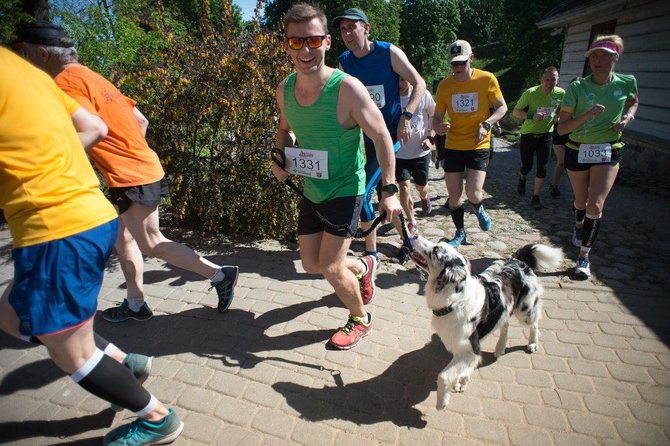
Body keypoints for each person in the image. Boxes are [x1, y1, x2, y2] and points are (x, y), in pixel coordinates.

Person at [0, 46, 182, 445]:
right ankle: (124, 363)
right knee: (12, 317)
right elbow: (94, 127)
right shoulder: (26, 72)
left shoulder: (43, 74)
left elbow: (102, 128)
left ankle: (157, 418)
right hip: (86, 212)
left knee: (71, 353)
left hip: (56, 228)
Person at [14, 21, 239, 321]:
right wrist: (128, 153)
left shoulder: (64, 83)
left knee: (151, 241)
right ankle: (136, 304)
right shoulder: (95, 78)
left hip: (132, 175)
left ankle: (220, 276)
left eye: (23, 55)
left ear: (41, 53)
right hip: (136, 170)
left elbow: (96, 129)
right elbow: (141, 120)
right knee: (124, 239)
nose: (24, 64)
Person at [272, 3, 402, 350]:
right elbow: (285, 131)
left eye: (313, 40)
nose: (306, 50)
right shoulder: (284, 90)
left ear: (328, 42)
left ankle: (360, 318)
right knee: (311, 263)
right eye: (296, 42)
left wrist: (389, 190)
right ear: (286, 45)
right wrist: (279, 156)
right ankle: (363, 266)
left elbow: (382, 137)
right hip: (313, 188)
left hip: (347, 186)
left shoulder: (348, 88)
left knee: (330, 267)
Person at [333, 7, 426, 263]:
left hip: (389, 136)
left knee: (364, 190)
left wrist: (407, 117)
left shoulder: (388, 52)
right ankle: (407, 243)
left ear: (366, 28)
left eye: (352, 27)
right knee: (384, 192)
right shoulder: (345, 62)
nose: (347, 33)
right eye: (343, 29)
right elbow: (343, 101)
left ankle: (371, 252)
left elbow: (420, 83)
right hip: (364, 138)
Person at [557, 35, 638, 279]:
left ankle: (583, 257)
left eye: (603, 55)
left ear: (615, 57)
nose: (597, 60)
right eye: (593, 56)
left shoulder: (626, 82)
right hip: (578, 148)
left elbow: (634, 102)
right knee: (581, 201)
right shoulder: (578, 87)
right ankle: (579, 222)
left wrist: (627, 117)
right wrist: (589, 115)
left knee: (596, 203)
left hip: (609, 148)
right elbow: (562, 129)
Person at [433, 39, 507, 247]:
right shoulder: (445, 86)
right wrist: (438, 126)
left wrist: (487, 123)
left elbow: (501, 107)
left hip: (478, 143)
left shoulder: (486, 79)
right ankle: (460, 232)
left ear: (471, 59)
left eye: (461, 63)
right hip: (454, 144)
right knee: (454, 195)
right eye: (453, 64)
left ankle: (478, 207)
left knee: (473, 192)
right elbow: (437, 117)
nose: (457, 68)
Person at [512, 66, 565, 209]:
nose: (549, 82)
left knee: (542, 167)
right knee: (527, 166)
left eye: (553, 79)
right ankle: (522, 178)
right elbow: (516, 112)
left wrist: (559, 117)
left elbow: (564, 109)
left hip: (546, 135)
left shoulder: (561, 93)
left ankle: (536, 196)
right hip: (528, 134)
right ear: (541, 79)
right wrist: (531, 116)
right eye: (546, 79)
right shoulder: (530, 93)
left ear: (557, 80)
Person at [393, 77, 436, 238]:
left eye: (403, 80)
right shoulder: (391, 96)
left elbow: (435, 117)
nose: (399, 84)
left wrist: (430, 139)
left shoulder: (423, 94)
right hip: (399, 153)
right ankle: (412, 221)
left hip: (420, 153)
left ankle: (424, 197)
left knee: (421, 187)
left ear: (410, 80)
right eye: (396, 80)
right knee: (404, 187)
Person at [549, 76, 581, 198]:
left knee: (575, 163)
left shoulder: (584, 100)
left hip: (575, 133)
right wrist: (556, 116)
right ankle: (553, 185)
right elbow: (553, 110)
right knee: (562, 161)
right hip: (560, 132)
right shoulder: (564, 98)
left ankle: (579, 191)